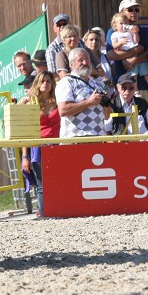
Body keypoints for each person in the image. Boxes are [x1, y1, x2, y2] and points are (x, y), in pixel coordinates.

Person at [20, 71, 59, 217]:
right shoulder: (31, 103)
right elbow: (26, 131)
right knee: (42, 185)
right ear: (37, 83)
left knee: (57, 181)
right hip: (38, 145)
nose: (46, 84)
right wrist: (25, 156)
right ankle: (44, 213)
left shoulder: (57, 100)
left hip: (56, 144)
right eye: (42, 81)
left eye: (48, 81)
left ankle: (57, 210)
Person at [55, 48, 111, 138]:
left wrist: (106, 103)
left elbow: (107, 116)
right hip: (76, 138)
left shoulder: (97, 83)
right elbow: (63, 110)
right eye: (80, 60)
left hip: (98, 137)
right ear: (71, 64)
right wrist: (89, 102)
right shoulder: (66, 82)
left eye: (87, 59)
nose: (85, 63)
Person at [106, 0, 148, 97]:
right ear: (121, 12)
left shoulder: (143, 31)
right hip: (122, 84)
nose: (134, 12)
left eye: (136, 10)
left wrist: (135, 60)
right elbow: (111, 55)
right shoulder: (113, 32)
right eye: (130, 10)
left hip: (144, 85)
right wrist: (135, 50)